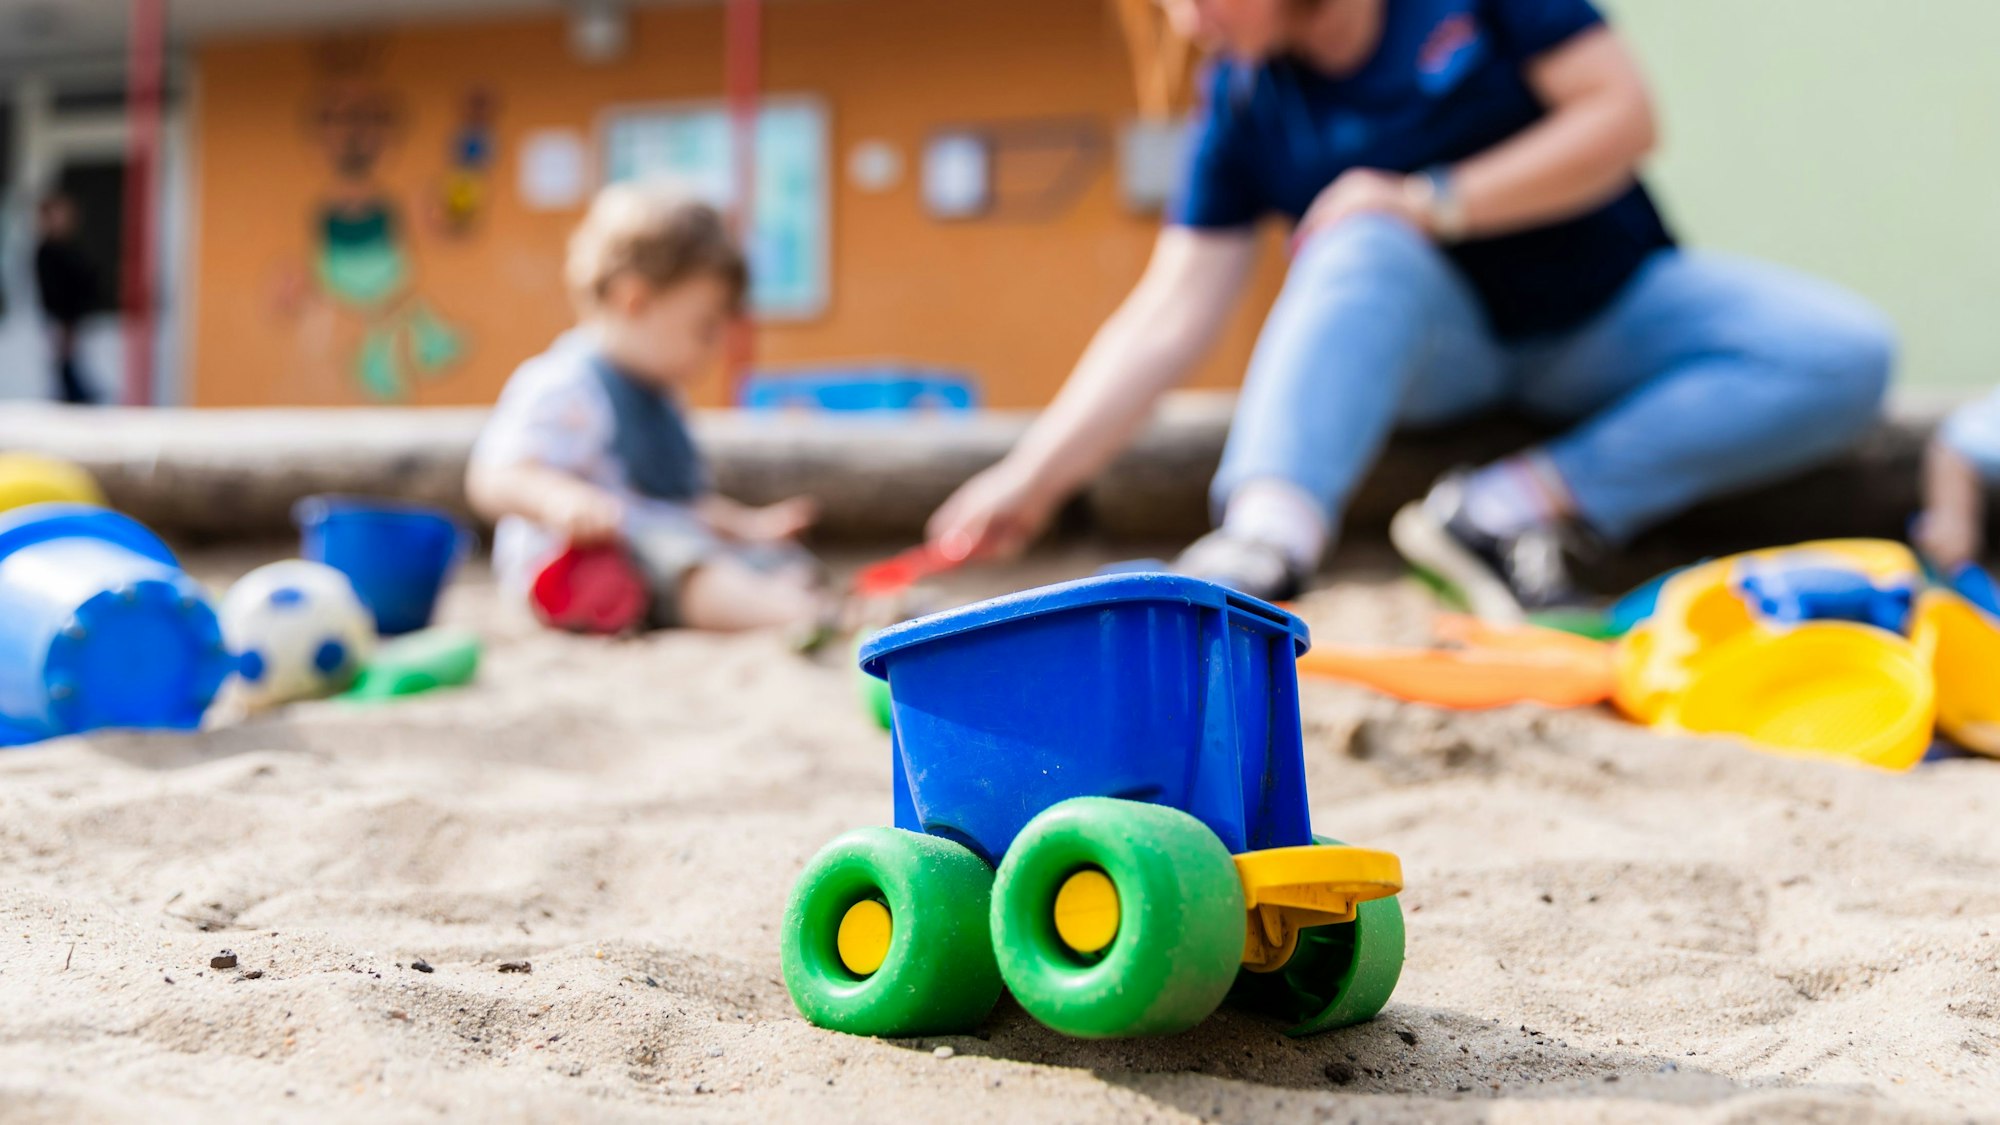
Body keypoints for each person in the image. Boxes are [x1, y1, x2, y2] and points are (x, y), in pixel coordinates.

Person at [927, 0, 1896, 619]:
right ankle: (1265, 541)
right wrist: (1030, 479)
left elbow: (1621, 116)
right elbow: (1170, 309)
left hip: (1606, 308)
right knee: (1358, 238)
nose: (1184, 21)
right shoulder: (1242, 97)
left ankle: (1509, 506)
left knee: (1840, 350)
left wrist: (1431, 200)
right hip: (1442, 354)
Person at [466, 183, 824, 632]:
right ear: (635, 301)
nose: (714, 348)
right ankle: (790, 613)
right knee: (685, 563)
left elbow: (682, 505)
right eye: (704, 328)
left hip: (664, 546)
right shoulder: (566, 384)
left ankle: (789, 597)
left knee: (776, 558)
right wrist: (560, 500)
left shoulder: (662, 398)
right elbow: (493, 476)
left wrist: (747, 527)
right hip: (578, 568)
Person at [33, 195, 101, 405]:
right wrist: (62, 320)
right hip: (60, 317)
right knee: (65, 363)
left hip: (75, 315)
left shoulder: (72, 248)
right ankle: (75, 399)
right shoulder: (47, 252)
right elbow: (52, 291)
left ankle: (77, 398)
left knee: (72, 362)